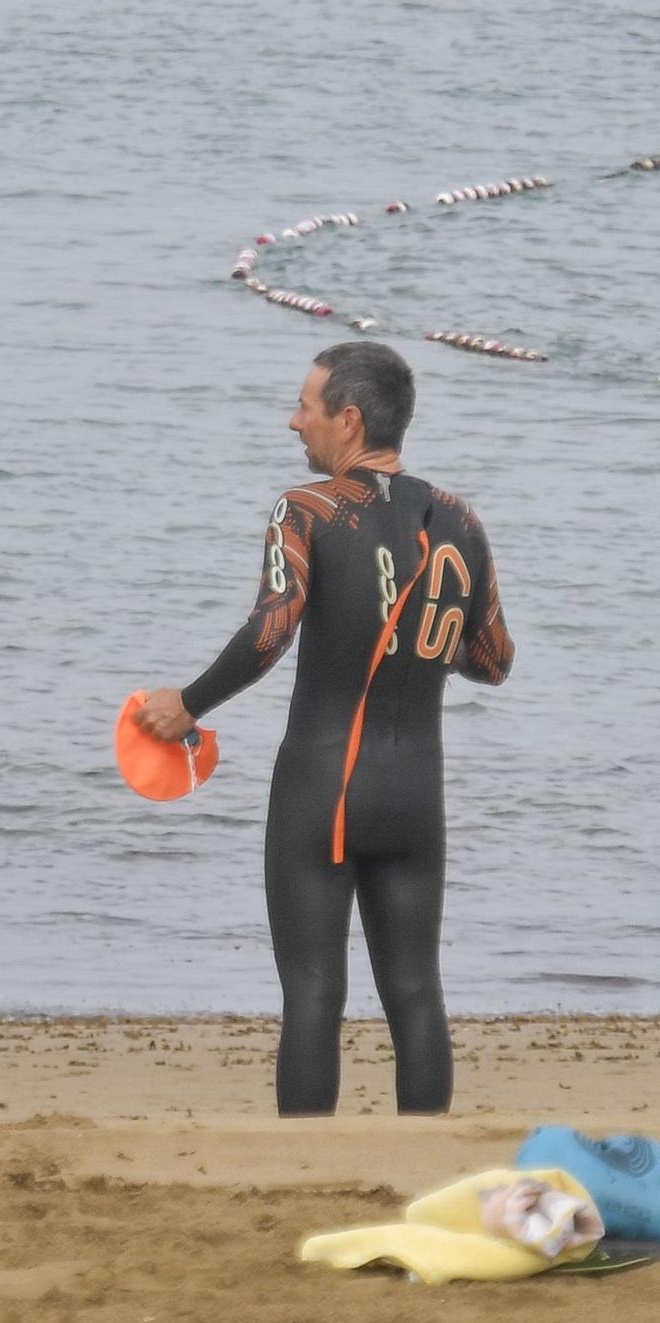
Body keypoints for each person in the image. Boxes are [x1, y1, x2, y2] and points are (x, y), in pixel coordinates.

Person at [136, 341, 514, 1117]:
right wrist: (419, 637)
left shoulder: (305, 509)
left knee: (313, 993)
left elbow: (270, 633)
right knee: (416, 991)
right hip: (416, 796)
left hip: (323, 786)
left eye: (305, 407)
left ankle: (307, 1168)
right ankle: (425, 1178)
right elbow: (493, 659)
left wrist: (189, 705)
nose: (292, 421)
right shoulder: (462, 520)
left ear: (347, 420)